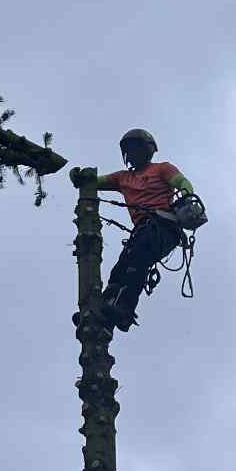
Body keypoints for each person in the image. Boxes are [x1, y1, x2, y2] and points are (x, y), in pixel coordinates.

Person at [69, 128, 195, 332]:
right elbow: (93, 182)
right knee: (120, 270)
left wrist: (187, 197)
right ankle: (102, 314)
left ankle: (125, 310)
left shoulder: (162, 169)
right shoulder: (122, 178)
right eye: (130, 150)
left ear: (147, 150)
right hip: (143, 231)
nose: (133, 153)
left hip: (163, 227)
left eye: (137, 148)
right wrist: (79, 176)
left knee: (137, 261)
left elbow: (182, 182)